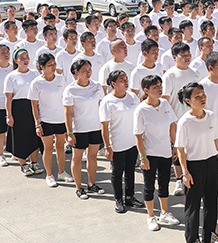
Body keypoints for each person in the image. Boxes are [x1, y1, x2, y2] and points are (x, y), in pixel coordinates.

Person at [175, 82, 218, 243]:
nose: (202, 98)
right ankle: (192, 240)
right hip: (194, 165)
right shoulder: (184, 122)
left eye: (203, 95)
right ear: (188, 101)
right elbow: (180, 149)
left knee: (212, 201)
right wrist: (185, 173)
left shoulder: (211, 116)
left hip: (211, 162)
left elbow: (216, 140)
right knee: (193, 205)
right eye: (197, 97)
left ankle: (209, 234)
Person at [134, 75, 180, 231]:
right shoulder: (141, 110)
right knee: (148, 186)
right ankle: (151, 216)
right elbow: (138, 136)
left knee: (164, 183)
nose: (160, 89)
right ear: (146, 90)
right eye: (155, 87)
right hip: (150, 153)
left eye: (160, 86)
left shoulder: (165, 103)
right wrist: (143, 157)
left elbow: (172, 125)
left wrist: (174, 145)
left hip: (165, 152)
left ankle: (165, 213)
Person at [63, 58, 106, 199]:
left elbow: (102, 107)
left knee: (92, 157)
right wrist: (69, 133)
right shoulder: (70, 89)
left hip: (95, 127)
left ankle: (92, 184)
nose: (88, 73)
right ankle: (79, 187)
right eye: (84, 71)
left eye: (89, 70)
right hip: (79, 129)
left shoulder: (97, 86)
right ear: (76, 73)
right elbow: (68, 113)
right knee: (77, 158)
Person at [100, 70, 141, 213]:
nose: (126, 81)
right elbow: (104, 126)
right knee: (117, 173)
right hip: (116, 143)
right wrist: (107, 147)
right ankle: (118, 199)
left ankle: (130, 197)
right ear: (113, 84)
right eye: (122, 79)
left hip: (132, 142)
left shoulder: (133, 97)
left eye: (126, 78)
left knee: (130, 171)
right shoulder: (107, 101)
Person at [29, 53, 70, 187]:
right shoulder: (36, 83)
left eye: (54, 64)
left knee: (60, 147)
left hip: (60, 119)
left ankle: (62, 172)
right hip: (45, 120)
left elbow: (65, 98)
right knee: (48, 148)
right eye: (49, 65)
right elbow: (34, 105)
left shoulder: (60, 79)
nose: (53, 67)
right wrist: (37, 123)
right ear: (42, 67)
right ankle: (49, 175)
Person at [4, 48, 44, 175]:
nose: (25, 60)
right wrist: (9, 115)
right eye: (22, 57)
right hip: (18, 108)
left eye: (27, 57)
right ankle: (23, 164)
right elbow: (8, 98)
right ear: (16, 60)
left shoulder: (35, 74)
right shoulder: (11, 76)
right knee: (20, 137)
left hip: (32, 106)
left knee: (34, 136)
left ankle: (34, 163)